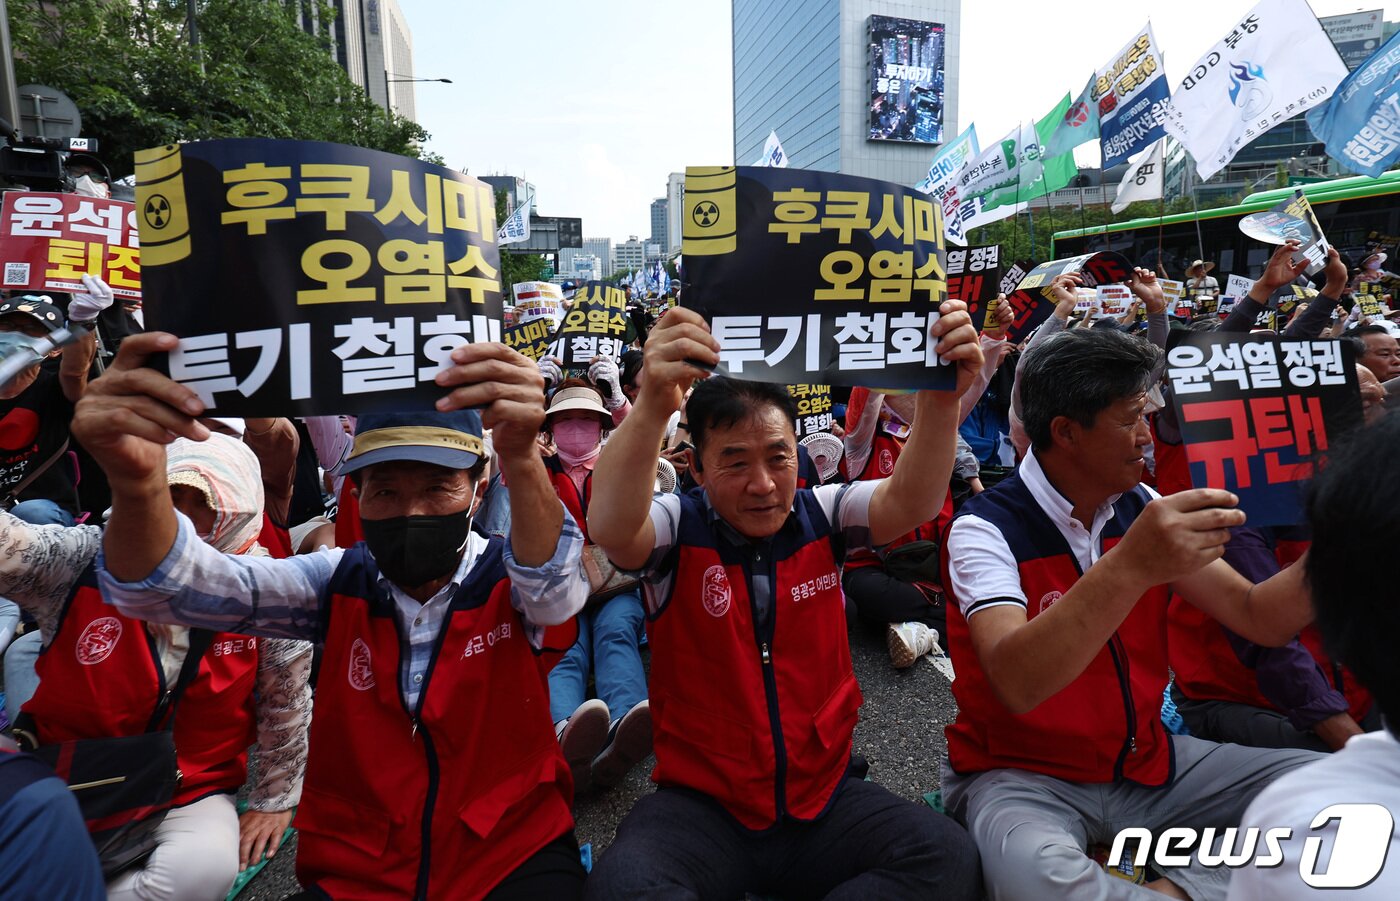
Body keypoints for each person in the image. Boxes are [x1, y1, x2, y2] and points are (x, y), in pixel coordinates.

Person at [75, 332, 590, 900]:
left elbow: (557, 593)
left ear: (478, 487)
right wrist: (135, 479)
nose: (411, 511)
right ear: (356, 496)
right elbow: (166, 589)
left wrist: (520, 453)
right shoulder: (335, 581)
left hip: (510, 850)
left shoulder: (511, 579)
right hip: (364, 870)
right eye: (386, 491)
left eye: (439, 486)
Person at [583, 304, 984, 899]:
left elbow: (915, 499)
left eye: (778, 457)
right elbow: (614, 527)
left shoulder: (822, 514)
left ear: (799, 453)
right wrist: (651, 406)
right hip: (703, 809)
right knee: (623, 887)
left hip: (824, 798)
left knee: (947, 859)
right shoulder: (675, 526)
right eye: (735, 462)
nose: (763, 484)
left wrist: (942, 396)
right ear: (695, 465)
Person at [940, 323, 1322, 900]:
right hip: (1022, 775)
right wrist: (1132, 566)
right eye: (1129, 419)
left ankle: (1180, 887)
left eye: (1146, 415)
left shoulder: (1140, 506)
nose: (1147, 435)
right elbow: (1018, 683)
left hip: (1151, 764)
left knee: (1341, 791)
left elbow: (1257, 615)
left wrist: (1350, 531)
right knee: (1036, 878)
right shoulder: (984, 528)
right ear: (1066, 432)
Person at [2, 431, 311, 899]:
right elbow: (12, 544)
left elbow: (284, 704)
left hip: (188, 788)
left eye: (201, 502)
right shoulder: (85, 556)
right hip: (63, 763)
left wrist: (275, 801)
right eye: (169, 495)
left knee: (203, 870)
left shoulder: (265, 591)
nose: (180, 519)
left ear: (238, 510)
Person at [1231, 411, 1400, 898]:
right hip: (1248, 702)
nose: (1367, 414)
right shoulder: (1310, 834)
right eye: (1354, 402)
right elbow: (1265, 631)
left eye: (1373, 401)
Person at [542, 380, 651, 793]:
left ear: (602, 427)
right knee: (565, 646)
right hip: (559, 591)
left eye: (585, 420)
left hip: (617, 585)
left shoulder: (623, 467)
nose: (575, 428)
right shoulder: (534, 473)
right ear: (551, 428)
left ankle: (625, 723)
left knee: (616, 632)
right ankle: (564, 729)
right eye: (565, 420)